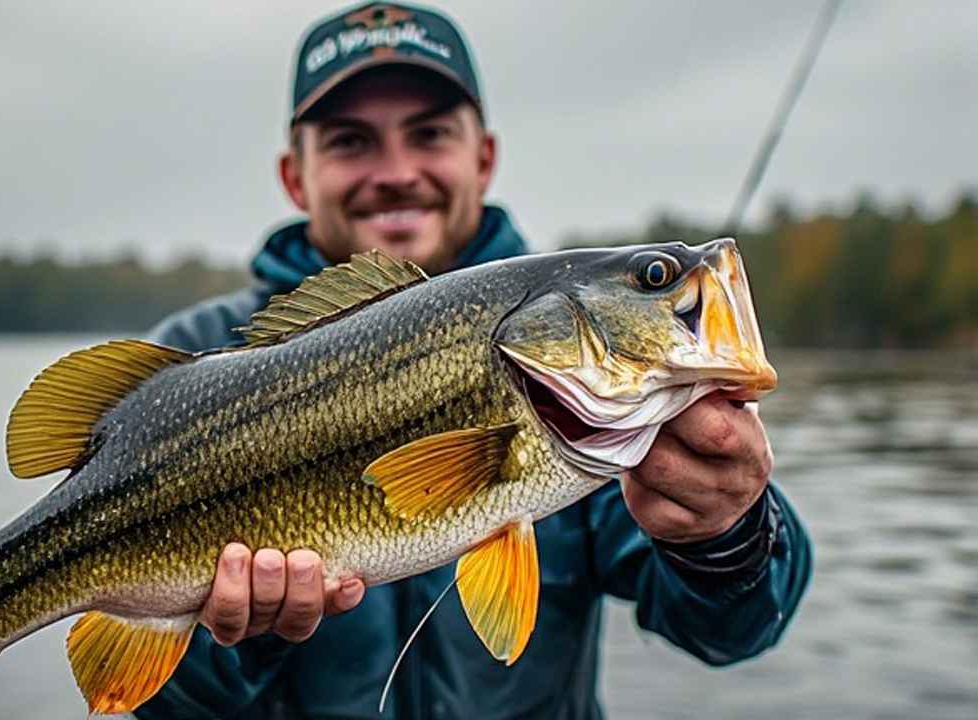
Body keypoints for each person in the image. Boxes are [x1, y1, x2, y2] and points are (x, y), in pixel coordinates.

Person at [141, 3, 812, 718]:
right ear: (295, 176)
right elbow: (157, 707)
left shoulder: (599, 401)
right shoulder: (190, 368)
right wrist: (241, 636)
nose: (396, 172)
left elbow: (733, 631)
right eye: (350, 141)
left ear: (483, 158)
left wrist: (729, 534)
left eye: (429, 134)